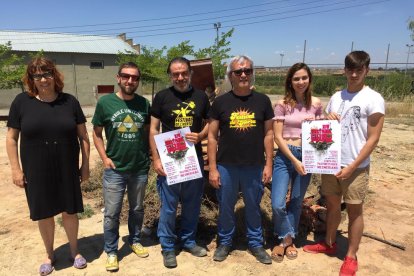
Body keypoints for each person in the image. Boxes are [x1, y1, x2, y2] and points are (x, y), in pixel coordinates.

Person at [303, 51, 385, 276]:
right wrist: (326, 119)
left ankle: (350, 256)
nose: (355, 74)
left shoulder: (373, 99)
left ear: (367, 70)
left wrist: (352, 165)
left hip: (355, 167)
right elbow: (328, 129)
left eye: (359, 69)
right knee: (331, 206)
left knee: (355, 211)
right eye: (351, 69)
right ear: (345, 70)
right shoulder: (337, 97)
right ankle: (329, 243)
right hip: (331, 163)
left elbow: (373, 138)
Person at [6, 57, 90, 275]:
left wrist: (85, 165)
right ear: (31, 78)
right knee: (44, 213)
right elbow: (11, 138)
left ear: (55, 75)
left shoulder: (69, 102)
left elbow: (83, 137)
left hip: (66, 165)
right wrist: (16, 169)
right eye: (37, 75)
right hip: (36, 168)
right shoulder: (21, 102)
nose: (43, 79)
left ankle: (74, 251)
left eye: (47, 74)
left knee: (69, 211)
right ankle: (49, 254)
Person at [208, 55, 274, 264]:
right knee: (226, 206)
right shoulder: (220, 102)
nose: (243, 74)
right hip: (226, 166)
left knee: (253, 205)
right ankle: (225, 242)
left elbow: (269, 135)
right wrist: (212, 168)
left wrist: (269, 164)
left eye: (247, 71)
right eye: (238, 72)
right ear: (231, 76)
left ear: (252, 73)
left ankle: (255, 243)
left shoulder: (263, 101)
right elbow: (211, 136)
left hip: (254, 166)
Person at [149, 57, 210, 268]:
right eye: (176, 74)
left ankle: (188, 241)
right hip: (170, 160)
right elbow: (153, 129)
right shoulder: (162, 97)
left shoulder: (201, 97)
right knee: (169, 206)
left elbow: (211, 124)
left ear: (190, 73)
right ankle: (167, 247)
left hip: (193, 160)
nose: (180, 77)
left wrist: (200, 135)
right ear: (170, 75)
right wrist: (156, 158)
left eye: (184, 73)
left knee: (192, 205)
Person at [92, 62, 151, 272]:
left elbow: (147, 133)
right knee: (112, 213)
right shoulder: (105, 103)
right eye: (126, 76)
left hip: (139, 168)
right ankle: (111, 251)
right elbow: (96, 133)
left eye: (134, 78)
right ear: (118, 78)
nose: (130, 81)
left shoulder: (144, 104)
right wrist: (104, 157)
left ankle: (134, 240)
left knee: (136, 209)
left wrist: (150, 155)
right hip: (115, 170)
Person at [270, 63, 323, 262]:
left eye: (304, 78)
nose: (300, 82)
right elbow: (277, 137)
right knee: (277, 203)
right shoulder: (282, 103)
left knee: (296, 201)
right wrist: (294, 159)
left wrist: (331, 119)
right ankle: (285, 238)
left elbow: (320, 132)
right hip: (286, 156)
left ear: (309, 79)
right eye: (296, 79)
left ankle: (286, 241)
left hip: (307, 156)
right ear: (290, 82)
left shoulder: (317, 103)